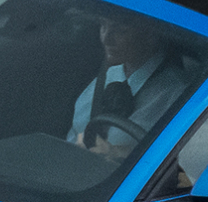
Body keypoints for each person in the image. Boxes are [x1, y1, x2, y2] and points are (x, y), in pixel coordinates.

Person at [67, 15, 187, 156]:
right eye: (103, 25)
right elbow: (74, 132)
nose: (106, 39)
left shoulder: (176, 93)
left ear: (151, 35)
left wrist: (116, 154)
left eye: (120, 31)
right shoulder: (108, 75)